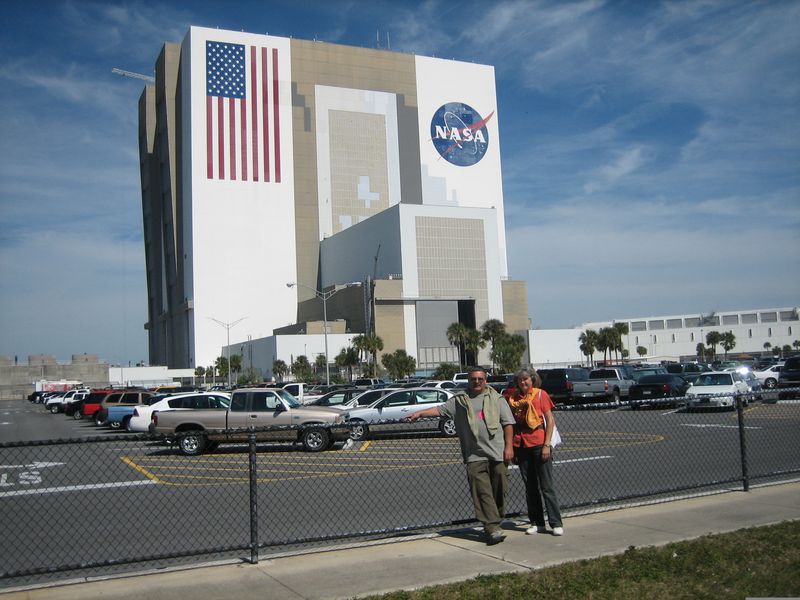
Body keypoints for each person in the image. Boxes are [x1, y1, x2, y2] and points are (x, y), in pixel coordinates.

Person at [408, 366, 515, 545]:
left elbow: (508, 423)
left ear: (485, 380)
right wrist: (420, 413)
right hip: (474, 455)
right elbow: (440, 410)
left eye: (480, 379)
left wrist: (509, 447)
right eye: (473, 379)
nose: (477, 382)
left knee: (499, 489)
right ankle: (492, 527)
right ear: (468, 380)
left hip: (497, 452)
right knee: (482, 492)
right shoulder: (460, 400)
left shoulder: (497, 398)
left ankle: (495, 519)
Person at [507, 368, 564, 536]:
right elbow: (511, 423)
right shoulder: (513, 398)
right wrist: (512, 448)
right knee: (530, 487)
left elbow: (550, 420)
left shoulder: (540, 395)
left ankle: (556, 522)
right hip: (521, 445)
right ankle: (537, 522)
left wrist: (547, 445)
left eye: (526, 379)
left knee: (547, 486)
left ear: (532, 380)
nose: (523, 382)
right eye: (520, 380)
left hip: (539, 443)